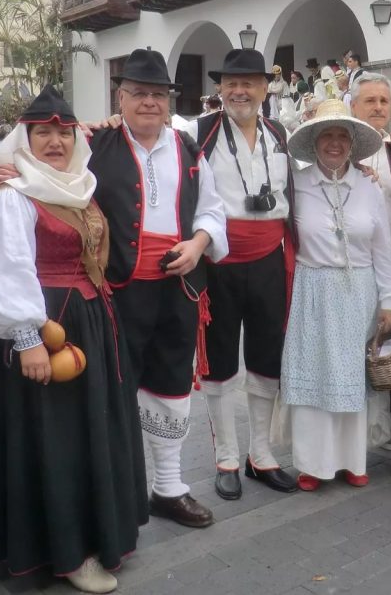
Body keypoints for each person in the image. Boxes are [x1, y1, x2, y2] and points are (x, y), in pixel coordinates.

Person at [0, 86, 146, 591]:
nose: (53, 142)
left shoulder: (82, 187)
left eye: (62, 133)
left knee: (91, 432)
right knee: (57, 439)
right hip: (48, 326)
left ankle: (91, 538)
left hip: (94, 320)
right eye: (42, 132)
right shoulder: (16, 194)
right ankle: (66, 553)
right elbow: (7, 267)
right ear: (25, 138)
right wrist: (27, 339)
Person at [87, 49, 227, 529]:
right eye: (139, 93)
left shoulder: (188, 148)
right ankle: (116, 493)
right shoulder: (93, 145)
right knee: (117, 386)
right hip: (116, 289)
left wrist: (198, 243)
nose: (149, 102)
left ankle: (169, 488)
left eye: (158, 94)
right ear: (120, 98)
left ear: (169, 101)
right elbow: (28, 157)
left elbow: (212, 209)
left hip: (178, 286)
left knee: (170, 383)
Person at [180, 49, 298, 500]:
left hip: (270, 259)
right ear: (220, 88)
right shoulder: (197, 132)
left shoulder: (281, 134)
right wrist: (109, 126)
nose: (239, 91)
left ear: (266, 88)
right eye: (231, 83)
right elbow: (145, 138)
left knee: (268, 358)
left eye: (248, 83)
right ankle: (227, 456)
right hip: (219, 260)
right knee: (221, 361)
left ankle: (261, 454)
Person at [280, 99, 391, 490]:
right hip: (312, 290)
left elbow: (383, 248)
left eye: (341, 136)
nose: (334, 143)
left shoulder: (369, 186)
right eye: (326, 135)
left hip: (359, 292)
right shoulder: (295, 185)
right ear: (314, 142)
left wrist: (389, 301)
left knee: (352, 377)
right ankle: (313, 465)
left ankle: (352, 459)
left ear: (352, 144)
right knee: (315, 375)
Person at [349, 73, 391, 449]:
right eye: (370, 100)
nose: (377, 108)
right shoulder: (342, 147)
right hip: (354, 260)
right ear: (354, 105)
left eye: (384, 101)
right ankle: (359, 427)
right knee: (362, 340)